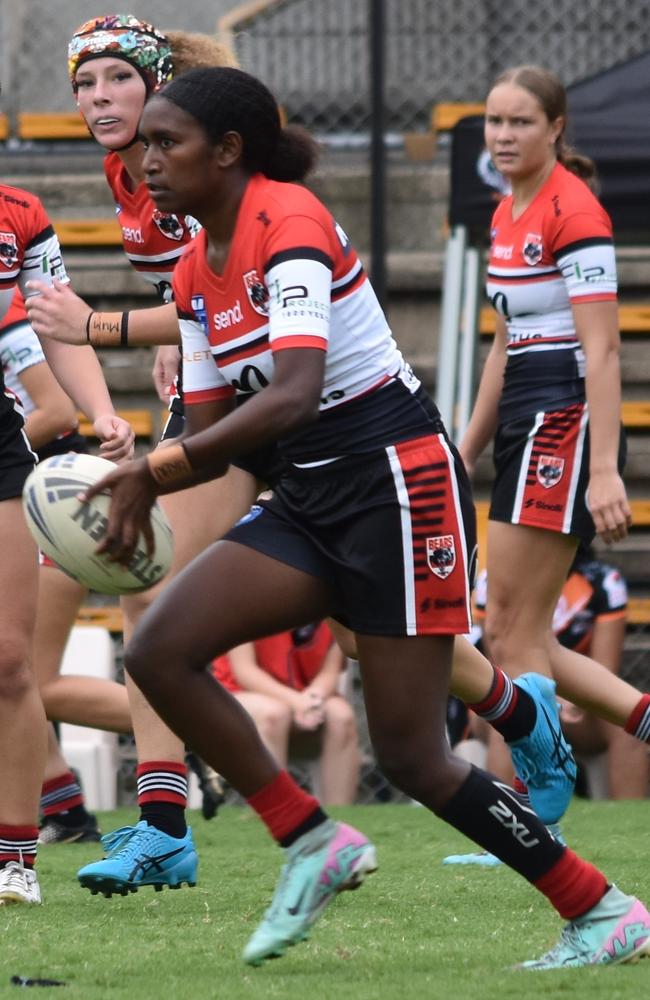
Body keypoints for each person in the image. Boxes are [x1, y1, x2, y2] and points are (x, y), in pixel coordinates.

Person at [74, 66, 650, 969]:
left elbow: (299, 391)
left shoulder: (289, 222)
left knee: (414, 755)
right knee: (157, 647)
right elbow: (218, 428)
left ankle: (603, 907)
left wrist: (157, 466)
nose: (146, 161)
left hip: (397, 486)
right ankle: (311, 839)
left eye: (165, 142)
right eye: (144, 142)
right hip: (308, 495)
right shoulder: (193, 269)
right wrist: (145, 489)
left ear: (228, 152)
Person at [29, 14, 258, 887]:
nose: (97, 100)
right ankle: (163, 823)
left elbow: (232, 286)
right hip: (212, 393)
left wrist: (106, 327)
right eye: (84, 85)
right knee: (144, 588)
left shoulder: (193, 153)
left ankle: (524, 718)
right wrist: (175, 335)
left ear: (156, 80)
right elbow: (193, 287)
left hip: (288, 394)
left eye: (115, 81)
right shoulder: (128, 167)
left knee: (372, 638)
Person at [456, 65, 650, 790]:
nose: (503, 136)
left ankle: (544, 793)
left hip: (563, 413)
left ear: (556, 128)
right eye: (494, 121)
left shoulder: (575, 210)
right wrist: (466, 445)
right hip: (524, 413)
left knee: (506, 624)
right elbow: (504, 343)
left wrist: (605, 467)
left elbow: (602, 348)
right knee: (517, 630)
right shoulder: (506, 210)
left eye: (520, 123)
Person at [0, 175, 133, 905]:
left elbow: (54, 330)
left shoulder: (18, 214)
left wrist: (103, 411)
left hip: (18, 457)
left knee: (15, 667)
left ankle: (17, 856)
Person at [472, 551, 649, 798]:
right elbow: (498, 663)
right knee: (508, 716)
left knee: (627, 726)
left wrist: (570, 699)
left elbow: (605, 666)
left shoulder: (604, 582)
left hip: (577, 708)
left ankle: (629, 827)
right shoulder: (493, 581)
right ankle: (508, 824)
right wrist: (545, 699)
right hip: (510, 692)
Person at [213, 623, 360, 805]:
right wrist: (297, 702)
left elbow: (330, 672)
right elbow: (245, 672)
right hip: (239, 696)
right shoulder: (244, 605)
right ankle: (280, 812)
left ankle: (339, 817)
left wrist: (314, 697)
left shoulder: (332, 612)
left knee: (341, 715)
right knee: (274, 713)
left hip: (304, 699)